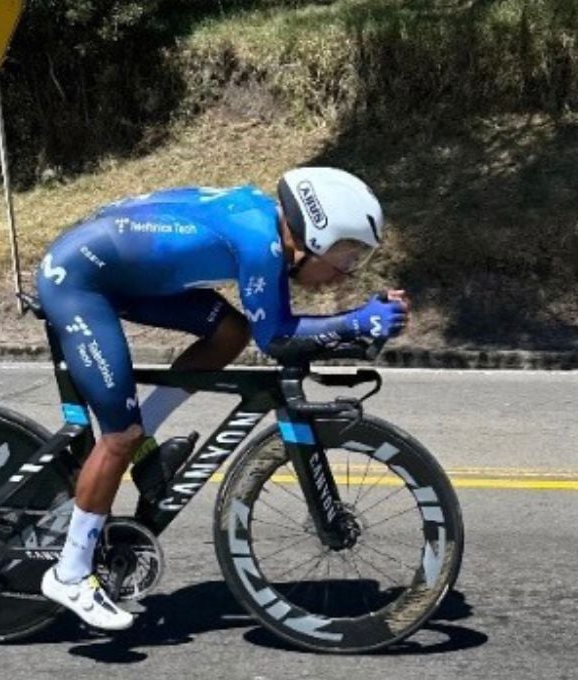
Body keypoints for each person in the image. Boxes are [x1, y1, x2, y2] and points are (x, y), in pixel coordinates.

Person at [35, 167, 410, 630]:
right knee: (118, 436)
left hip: (119, 269)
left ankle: (143, 437)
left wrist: (359, 322)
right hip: (80, 280)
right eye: (346, 255)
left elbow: (265, 329)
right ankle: (70, 574)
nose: (344, 272)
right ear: (316, 236)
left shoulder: (265, 225)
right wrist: (358, 322)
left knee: (230, 333)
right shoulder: (260, 245)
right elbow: (277, 338)